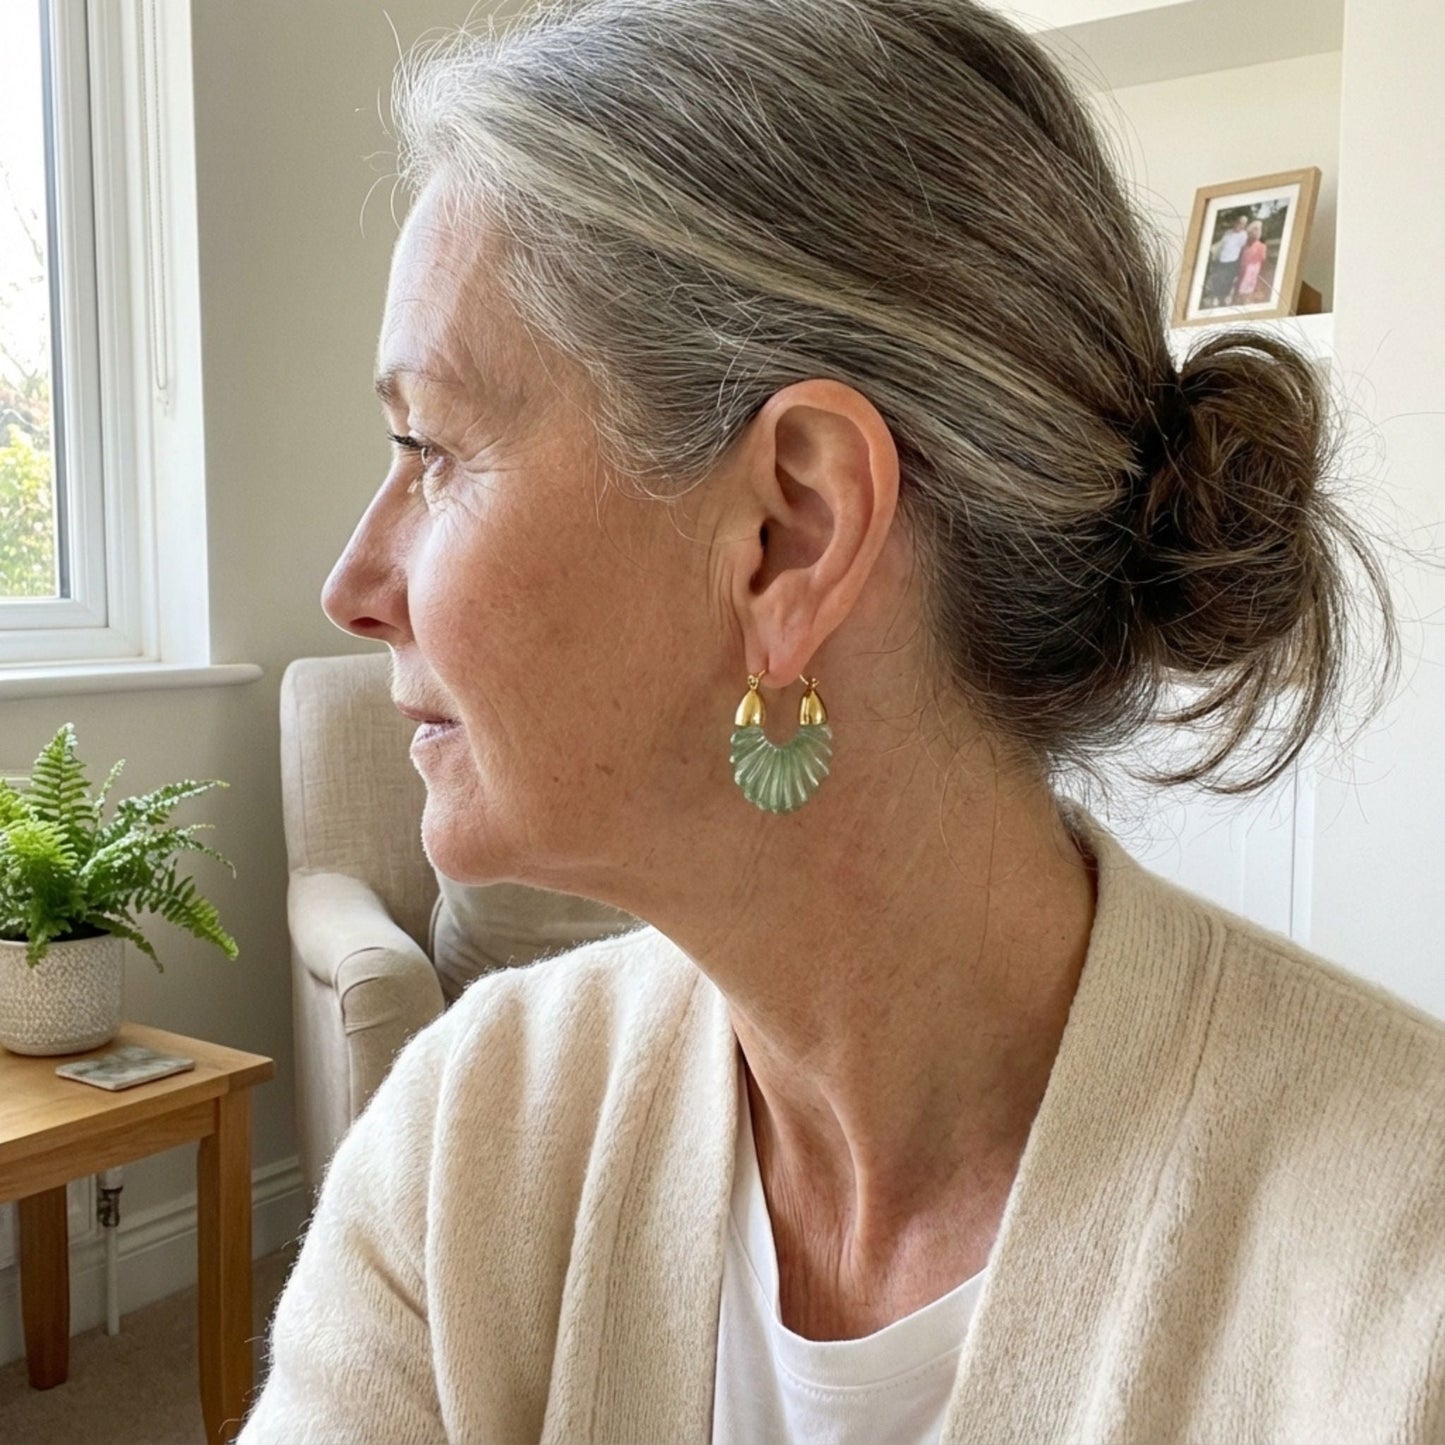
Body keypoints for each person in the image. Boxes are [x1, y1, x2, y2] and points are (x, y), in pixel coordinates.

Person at [239, 1, 1444, 1441]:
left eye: (429, 449)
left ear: (788, 533)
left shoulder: (1397, 1290)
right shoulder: (470, 1141)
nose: (354, 583)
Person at [1206, 212, 1250, 305]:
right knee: (1218, 279)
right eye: (1239, 222)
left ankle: (1223, 299)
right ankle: (1217, 297)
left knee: (1227, 281)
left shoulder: (1244, 235)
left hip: (1232, 261)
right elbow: (1221, 244)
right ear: (1236, 222)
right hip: (1221, 260)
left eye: (1242, 223)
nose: (1239, 224)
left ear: (1244, 225)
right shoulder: (1228, 232)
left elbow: (1244, 249)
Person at [1234, 217, 1271, 305]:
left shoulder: (1261, 246)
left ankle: (1246, 300)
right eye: (1255, 230)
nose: (1257, 232)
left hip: (1254, 270)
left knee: (1249, 287)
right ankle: (1241, 300)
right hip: (1244, 270)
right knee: (1241, 287)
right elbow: (1242, 260)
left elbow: (1263, 259)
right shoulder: (1246, 246)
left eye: (1258, 230)